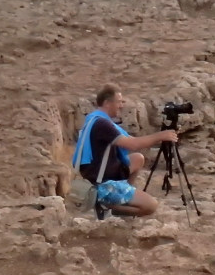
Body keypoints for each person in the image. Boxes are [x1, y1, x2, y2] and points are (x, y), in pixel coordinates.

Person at [73, 83, 178, 217]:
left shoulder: (94, 119)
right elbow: (132, 144)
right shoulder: (103, 125)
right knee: (151, 205)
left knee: (138, 158)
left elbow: (132, 141)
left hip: (97, 173)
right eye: (119, 102)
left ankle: (121, 197)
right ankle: (108, 206)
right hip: (103, 184)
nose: (122, 106)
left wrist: (163, 134)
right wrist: (161, 136)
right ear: (107, 103)